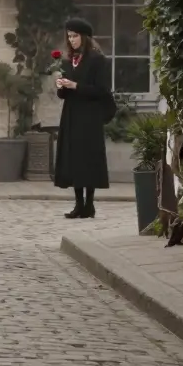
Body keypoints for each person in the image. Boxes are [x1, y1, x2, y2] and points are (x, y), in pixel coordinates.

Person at [53, 17, 115, 219]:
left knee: (88, 158)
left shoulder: (97, 60)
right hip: (72, 114)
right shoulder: (67, 61)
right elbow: (63, 95)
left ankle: (90, 205)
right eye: (69, 36)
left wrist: (75, 86)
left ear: (85, 37)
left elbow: (102, 90)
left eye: (75, 36)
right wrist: (61, 87)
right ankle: (78, 204)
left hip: (90, 116)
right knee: (74, 159)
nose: (71, 40)